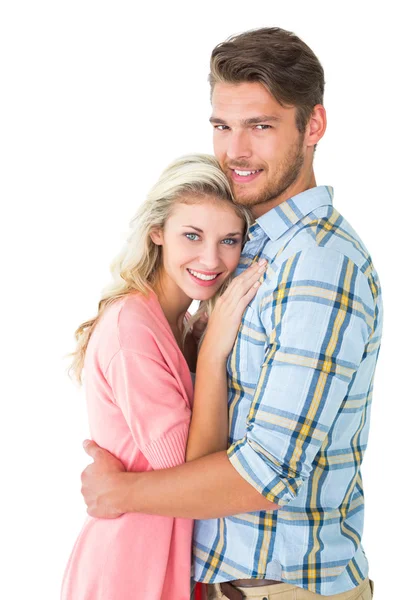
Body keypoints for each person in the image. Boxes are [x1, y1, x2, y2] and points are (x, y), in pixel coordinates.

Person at [80, 27, 381, 599]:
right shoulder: (252, 248)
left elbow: (269, 473)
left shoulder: (316, 263)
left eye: (260, 126)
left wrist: (121, 494)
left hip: (278, 591)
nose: (235, 151)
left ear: (313, 125)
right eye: (223, 126)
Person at [61, 153, 267, 600]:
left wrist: (198, 347)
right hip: (129, 570)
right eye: (191, 235)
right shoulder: (132, 328)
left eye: (229, 240)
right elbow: (190, 477)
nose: (211, 259)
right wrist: (212, 357)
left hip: (165, 562)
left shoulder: (175, 324)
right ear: (157, 232)